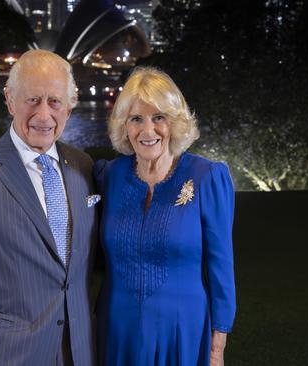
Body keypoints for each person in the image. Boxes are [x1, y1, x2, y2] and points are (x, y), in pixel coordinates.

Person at [0, 49, 99, 366]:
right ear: (10, 101)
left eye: (54, 102)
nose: (43, 114)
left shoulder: (83, 167)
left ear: (69, 108)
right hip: (10, 356)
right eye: (32, 100)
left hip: (82, 353)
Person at [94, 67, 236, 366]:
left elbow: (221, 266)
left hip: (183, 332)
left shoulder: (207, 177)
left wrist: (217, 348)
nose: (148, 131)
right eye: (136, 119)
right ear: (124, 126)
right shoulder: (110, 176)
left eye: (158, 117)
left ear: (174, 122)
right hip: (118, 330)